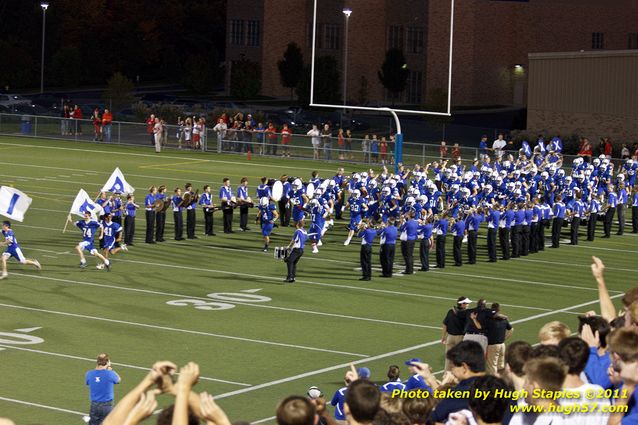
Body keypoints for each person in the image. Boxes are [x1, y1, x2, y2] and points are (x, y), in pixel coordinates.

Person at [428, 341, 486, 424]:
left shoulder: (459, 393)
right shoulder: (499, 386)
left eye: (452, 367)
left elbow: (432, 418)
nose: (452, 371)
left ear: (464, 367)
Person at [85, 353, 121, 425]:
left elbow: (88, 382)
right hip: (107, 406)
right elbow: (118, 380)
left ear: (97, 362)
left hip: (94, 406)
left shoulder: (89, 374)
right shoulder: (110, 374)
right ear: (107, 362)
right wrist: (110, 369)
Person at [441, 297, 471, 371]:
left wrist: (443, 337)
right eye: (466, 303)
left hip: (450, 337)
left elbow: (445, 324)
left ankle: (446, 375)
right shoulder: (466, 313)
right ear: (462, 304)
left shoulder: (451, 311)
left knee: (449, 358)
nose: (468, 304)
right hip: (460, 338)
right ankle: (458, 376)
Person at [485, 303, 513, 376]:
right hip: (502, 345)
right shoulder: (504, 320)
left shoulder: (489, 320)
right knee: (500, 366)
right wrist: (505, 338)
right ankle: (503, 380)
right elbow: (511, 329)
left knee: (492, 366)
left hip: (493, 346)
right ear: (499, 309)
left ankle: (494, 384)